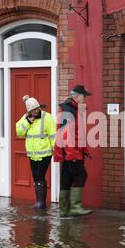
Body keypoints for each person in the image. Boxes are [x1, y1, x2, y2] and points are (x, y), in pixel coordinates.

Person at [54, 85, 93, 217]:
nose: (85, 98)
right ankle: (75, 207)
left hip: (70, 152)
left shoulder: (71, 109)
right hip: (71, 153)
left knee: (66, 178)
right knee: (81, 175)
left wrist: (85, 150)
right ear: (76, 96)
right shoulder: (68, 111)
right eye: (84, 96)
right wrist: (72, 154)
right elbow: (66, 134)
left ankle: (64, 210)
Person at [16, 95, 56, 209]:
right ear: (29, 111)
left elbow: (53, 135)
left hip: (45, 153)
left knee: (39, 176)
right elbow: (19, 132)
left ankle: (41, 203)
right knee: (36, 176)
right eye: (33, 110)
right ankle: (39, 202)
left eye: (37, 108)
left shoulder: (47, 117)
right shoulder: (25, 118)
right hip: (32, 154)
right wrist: (28, 121)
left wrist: (55, 149)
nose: (36, 111)